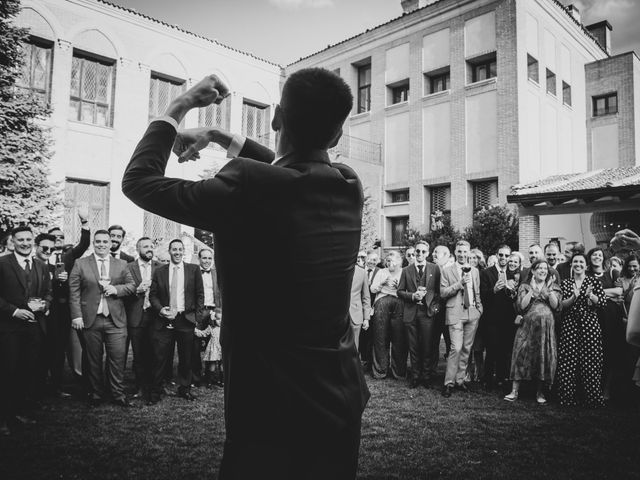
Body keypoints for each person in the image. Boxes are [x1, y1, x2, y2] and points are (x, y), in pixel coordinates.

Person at [122, 69, 369, 478]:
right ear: (338, 135)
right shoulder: (347, 183)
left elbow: (139, 183)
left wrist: (177, 108)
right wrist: (220, 137)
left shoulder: (249, 183)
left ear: (276, 119)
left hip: (270, 403)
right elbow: (292, 167)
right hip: (339, 395)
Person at [69, 230, 135, 408]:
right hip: (91, 319)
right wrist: (76, 315)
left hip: (116, 320)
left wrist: (116, 290)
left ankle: (117, 394)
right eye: (98, 241)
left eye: (105, 241)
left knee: (118, 358)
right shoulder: (80, 263)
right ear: (93, 243)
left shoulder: (121, 264)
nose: (102, 244)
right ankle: (96, 393)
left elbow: (131, 286)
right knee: (93, 359)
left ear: (110, 243)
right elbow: (73, 292)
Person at [0, 226, 52, 435]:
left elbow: (48, 293)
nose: (25, 243)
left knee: (26, 371)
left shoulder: (40, 265)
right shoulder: (2, 264)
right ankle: (2, 419)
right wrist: (14, 312)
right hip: (9, 328)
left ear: (33, 241)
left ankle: (18, 413)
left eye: (28, 239)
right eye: (20, 239)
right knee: (7, 372)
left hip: (34, 329)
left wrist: (45, 306)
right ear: (12, 241)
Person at [148, 239, 204, 404]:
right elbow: (153, 295)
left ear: (184, 251)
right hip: (165, 319)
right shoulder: (160, 271)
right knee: (160, 357)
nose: (177, 252)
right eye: (174, 249)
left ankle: (184, 389)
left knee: (186, 357)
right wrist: (160, 309)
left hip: (185, 319)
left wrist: (197, 318)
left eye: (180, 249)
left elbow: (200, 295)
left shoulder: (193, 270)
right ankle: (155, 392)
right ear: (170, 251)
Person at [504, 259, 561, 404]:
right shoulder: (525, 286)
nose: (543, 271)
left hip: (545, 328)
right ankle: (514, 390)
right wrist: (530, 291)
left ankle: (540, 392)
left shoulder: (553, 286)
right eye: (539, 268)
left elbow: (555, 306)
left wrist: (548, 289)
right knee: (520, 354)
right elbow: (522, 306)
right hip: (527, 326)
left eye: (545, 269)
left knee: (542, 356)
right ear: (533, 271)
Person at [48, 208, 91, 393]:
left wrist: (85, 223)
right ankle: (53, 383)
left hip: (69, 308)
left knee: (76, 346)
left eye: (61, 236)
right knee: (53, 347)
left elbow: (84, 244)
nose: (58, 238)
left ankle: (83, 381)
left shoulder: (68, 256)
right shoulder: (40, 258)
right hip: (50, 309)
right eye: (54, 236)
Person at [557, 253, 606, 407]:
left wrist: (591, 296)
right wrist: (573, 296)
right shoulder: (566, 283)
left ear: (586, 266)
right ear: (571, 264)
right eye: (575, 262)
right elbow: (561, 306)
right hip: (570, 323)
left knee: (590, 360)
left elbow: (603, 303)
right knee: (568, 361)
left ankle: (593, 398)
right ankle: (567, 398)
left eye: (581, 262)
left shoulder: (594, 282)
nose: (578, 264)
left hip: (589, 324)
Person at [440, 240, 482, 397]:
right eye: (460, 251)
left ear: (469, 253)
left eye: (465, 252)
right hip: (455, 313)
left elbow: (477, 292)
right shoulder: (447, 271)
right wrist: (459, 284)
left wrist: (479, 308)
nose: (463, 254)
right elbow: (443, 293)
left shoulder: (475, 271)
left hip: (472, 313)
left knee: (466, 348)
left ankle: (460, 380)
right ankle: (448, 383)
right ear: (455, 252)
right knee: (455, 348)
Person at [397, 240, 441, 388]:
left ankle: (426, 376)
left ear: (428, 253)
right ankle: (415, 376)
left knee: (427, 346)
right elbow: (400, 291)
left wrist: (434, 307)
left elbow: (438, 292)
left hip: (427, 313)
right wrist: (412, 296)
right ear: (414, 252)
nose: (420, 254)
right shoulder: (406, 270)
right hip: (410, 312)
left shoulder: (435, 269)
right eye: (418, 251)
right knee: (413, 346)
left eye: (423, 251)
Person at [124, 237, 160, 400]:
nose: (149, 249)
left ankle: (154, 387)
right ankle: (139, 386)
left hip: (155, 316)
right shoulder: (128, 267)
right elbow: (123, 292)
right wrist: (136, 290)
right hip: (136, 315)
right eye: (146, 247)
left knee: (154, 353)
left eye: (151, 246)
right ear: (138, 249)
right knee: (138, 354)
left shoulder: (160, 267)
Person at [587, 247, 624, 403]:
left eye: (599, 255)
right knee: (594, 353)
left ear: (604, 258)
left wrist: (598, 293)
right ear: (590, 258)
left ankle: (607, 389)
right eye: (594, 255)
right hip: (593, 318)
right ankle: (593, 388)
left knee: (610, 352)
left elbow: (619, 290)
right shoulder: (587, 274)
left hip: (611, 318)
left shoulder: (612, 273)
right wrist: (608, 295)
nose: (597, 257)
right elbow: (586, 295)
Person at [480, 245, 516, 392]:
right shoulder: (486, 273)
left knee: (504, 350)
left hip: (507, 318)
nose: (504, 258)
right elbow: (482, 294)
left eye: (507, 256)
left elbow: (513, 298)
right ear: (497, 255)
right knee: (491, 350)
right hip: (491, 318)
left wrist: (513, 294)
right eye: (501, 255)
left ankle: (501, 379)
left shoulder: (512, 274)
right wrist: (493, 290)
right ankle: (487, 380)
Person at [369, 250, 406, 379]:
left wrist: (399, 287)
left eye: (393, 260)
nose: (390, 263)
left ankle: (399, 371)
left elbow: (407, 290)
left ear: (399, 261)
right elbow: (372, 289)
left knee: (399, 337)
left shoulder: (404, 272)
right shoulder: (381, 272)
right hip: (382, 302)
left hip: (399, 302)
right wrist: (382, 284)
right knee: (380, 336)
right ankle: (380, 370)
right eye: (388, 261)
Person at [196, 247, 221, 386]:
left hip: (213, 311)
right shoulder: (194, 272)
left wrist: (218, 312)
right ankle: (196, 375)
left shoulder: (217, 274)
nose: (207, 261)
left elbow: (221, 294)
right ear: (199, 259)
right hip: (199, 311)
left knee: (213, 343)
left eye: (209, 258)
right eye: (204, 258)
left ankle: (210, 376)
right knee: (196, 344)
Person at [196, 307, 223, 387]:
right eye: (218, 319)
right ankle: (210, 381)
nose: (220, 321)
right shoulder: (211, 328)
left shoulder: (224, 328)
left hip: (222, 348)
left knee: (222, 365)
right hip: (213, 349)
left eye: (222, 319)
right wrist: (195, 330)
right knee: (212, 365)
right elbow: (203, 333)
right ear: (213, 319)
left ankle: (222, 381)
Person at [349, 259, 371, 351]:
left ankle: (352, 365)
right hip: (338, 316)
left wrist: (366, 318)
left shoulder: (362, 272)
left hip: (355, 314)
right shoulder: (336, 270)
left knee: (354, 347)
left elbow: (366, 297)